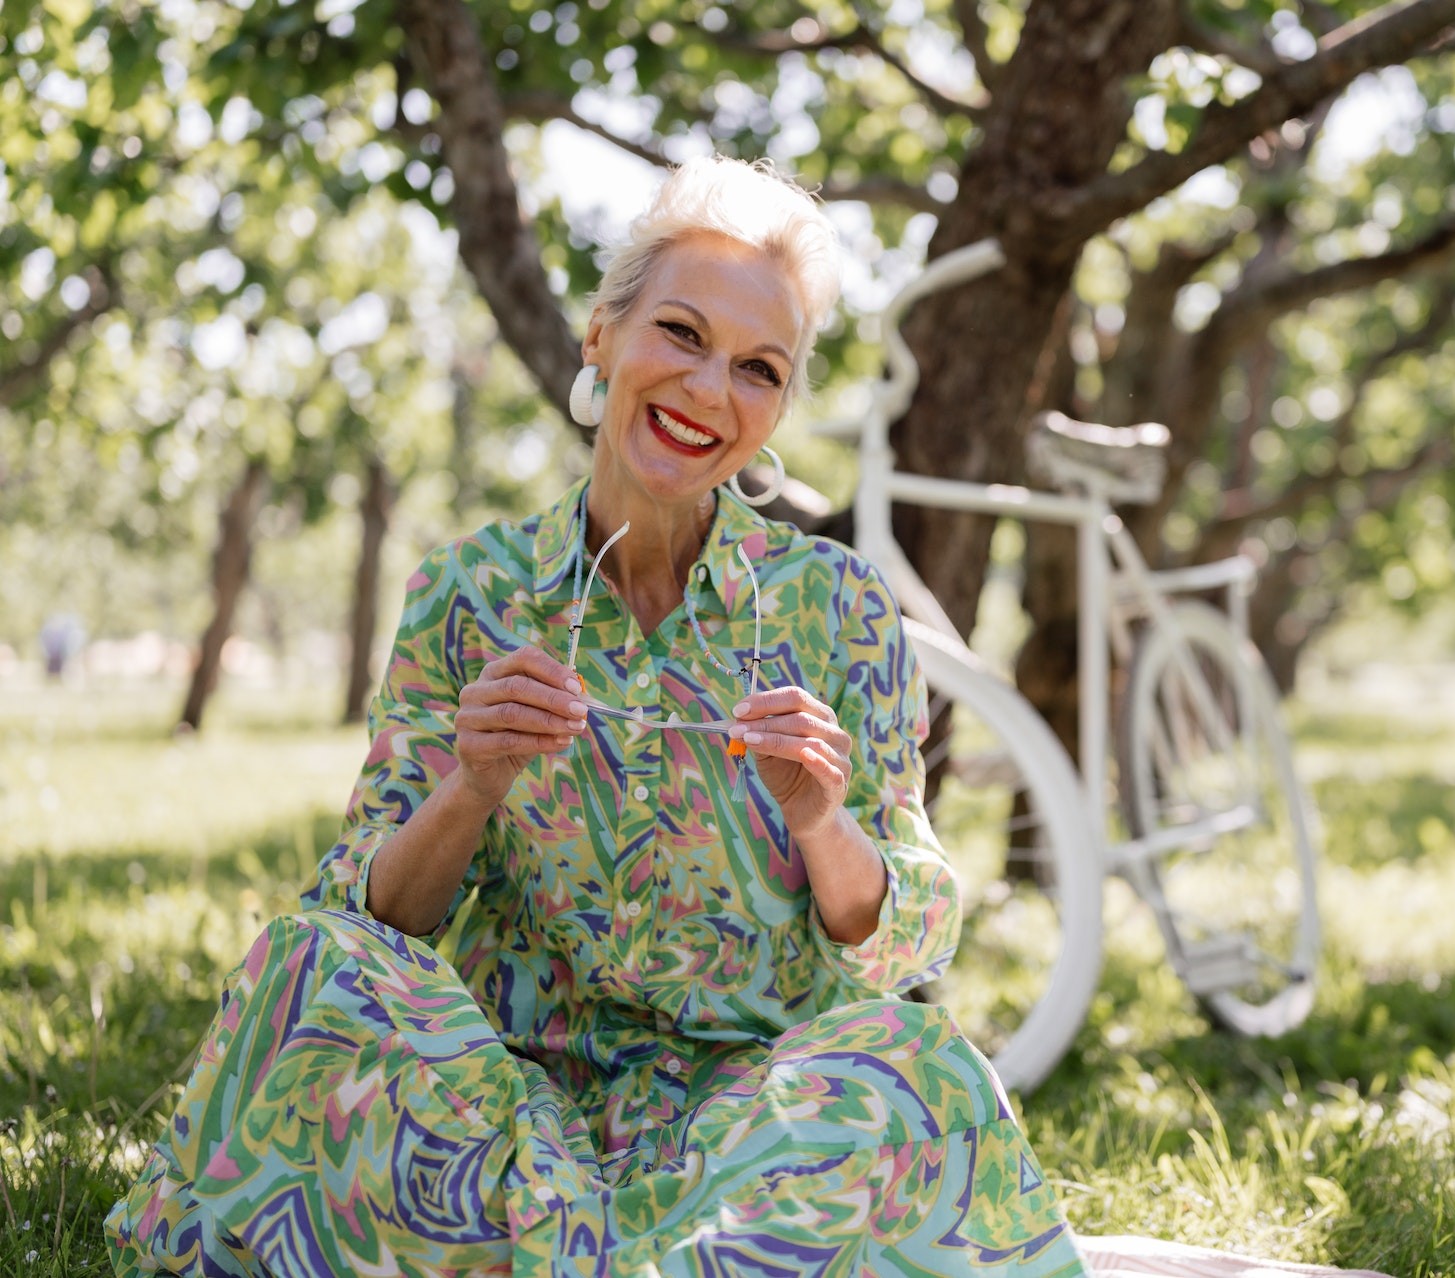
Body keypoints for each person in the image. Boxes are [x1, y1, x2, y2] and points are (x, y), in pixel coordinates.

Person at [105, 157, 1087, 1277]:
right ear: (600, 337)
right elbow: (375, 916)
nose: (711, 390)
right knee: (307, 966)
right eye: (680, 333)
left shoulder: (837, 607)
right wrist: (469, 786)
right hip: (492, 1116)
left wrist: (824, 821)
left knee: (911, 1068)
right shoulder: (469, 592)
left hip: (751, 1129)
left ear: (777, 408)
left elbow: (906, 938)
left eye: (758, 369)